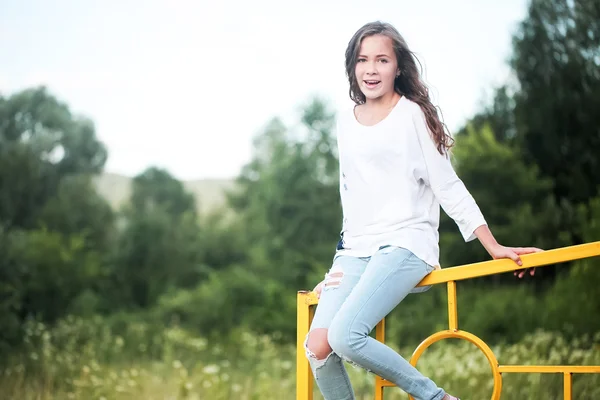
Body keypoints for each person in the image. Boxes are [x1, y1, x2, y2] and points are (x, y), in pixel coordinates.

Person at [303, 21, 541, 400]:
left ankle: (436, 398)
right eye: (362, 60)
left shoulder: (411, 114)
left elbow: (447, 185)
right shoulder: (345, 120)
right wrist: (338, 272)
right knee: (317, 348)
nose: (371, 69)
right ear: (352, 66)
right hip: (355, 250)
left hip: (405, 243)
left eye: (382, 60)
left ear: (398, 67)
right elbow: (353, 195)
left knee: (346, 335)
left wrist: (493, 245)